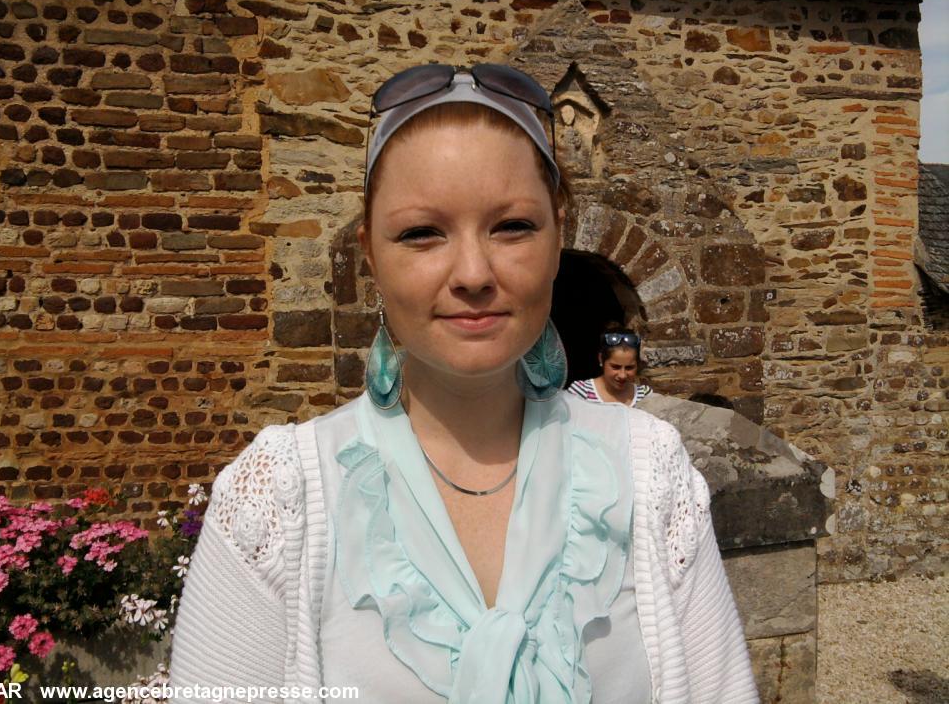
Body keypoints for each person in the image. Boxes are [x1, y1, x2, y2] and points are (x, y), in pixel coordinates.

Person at [168, 64, 758, 703]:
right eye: (422, 233)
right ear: (371, 254)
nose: (474, 273)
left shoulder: (649, 473)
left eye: (512, 227)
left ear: (560, 235)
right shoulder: (281, 504)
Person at [567, 324, 653, 408]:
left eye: (629, 368)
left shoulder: (645, 395)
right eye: (615, 367)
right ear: (601, 359)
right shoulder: (581, 392)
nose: (622, 375)